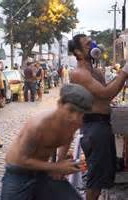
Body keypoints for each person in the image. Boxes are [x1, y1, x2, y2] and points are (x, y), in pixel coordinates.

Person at [1, 84, 94, 200]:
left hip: (43, 171)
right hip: (18, 172)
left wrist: (60, 163)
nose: (75, 117)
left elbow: (68, 139)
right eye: (71, 110)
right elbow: (21, 160)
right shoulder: (38, 125)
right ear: (60, 104)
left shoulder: (75, 122)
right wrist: (57, 167)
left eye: (80, 113)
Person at [68, 34, 128, 200]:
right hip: (94, 126)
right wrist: (124, 72)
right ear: (78, 52)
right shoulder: (79, 74)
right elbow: (106, 94)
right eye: (88, 44)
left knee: (102, 176)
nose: (93, 45)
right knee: (95, 179)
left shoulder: (96, 72)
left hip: (102, 125)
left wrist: (120, 77)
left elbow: (107, 89)